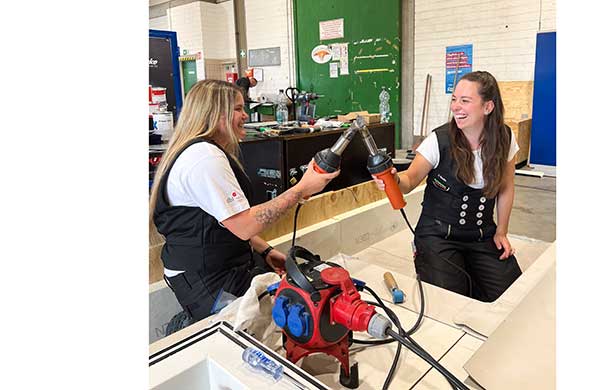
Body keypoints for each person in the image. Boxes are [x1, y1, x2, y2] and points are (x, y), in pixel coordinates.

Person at [149, 79, 339, 322]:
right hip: (206, 277)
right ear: (216, 114)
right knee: (251, 329)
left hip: (224, 263)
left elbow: (228, 221)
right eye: (238, 109)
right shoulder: (204, 158)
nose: (246, 115)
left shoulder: (207, 152)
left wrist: (265, 249)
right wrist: (302, 188)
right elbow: (245, 225)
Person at [373, 71, 522, 302]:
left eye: (465, 101)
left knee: (512, 297)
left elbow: (506, 187)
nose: (455, 107)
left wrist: (501, 231)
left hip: (482, 234)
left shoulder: (505, 138)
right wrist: (393, 179)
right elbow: (410, 180)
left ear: (488, 106)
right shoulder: (439, 140)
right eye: (454, 99)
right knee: (450, 301)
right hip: (438, 235)